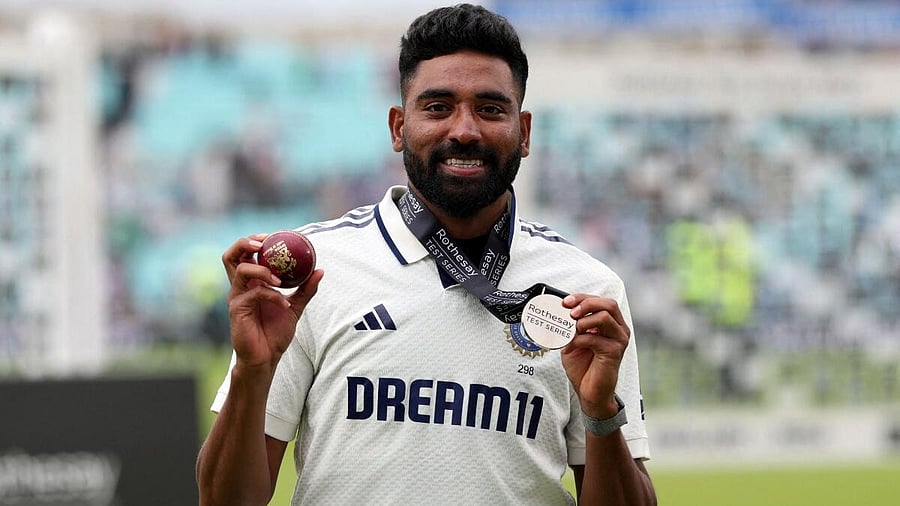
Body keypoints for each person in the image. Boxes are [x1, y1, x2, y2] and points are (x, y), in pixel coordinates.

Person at [196, 4, 656, 505]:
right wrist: (251, 371)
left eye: (490, 109)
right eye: (438, 107)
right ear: (398, 127)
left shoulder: (586, 290)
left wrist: (600, 411)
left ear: (524, 133)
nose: (464, 130)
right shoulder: (313, 276)